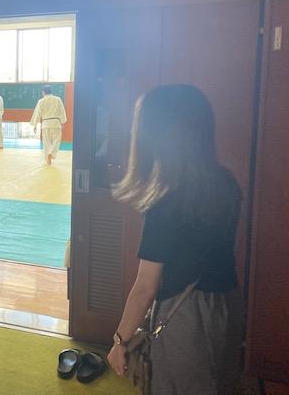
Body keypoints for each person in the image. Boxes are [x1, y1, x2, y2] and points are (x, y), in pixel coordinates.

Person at [107, 85, 243, 395]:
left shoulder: (167, 201)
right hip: (227, 304)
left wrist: (119, 341)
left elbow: (146, 286)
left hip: (187, 316)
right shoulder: (226, 183)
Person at [30, 85, 67, 164]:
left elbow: (37, 113)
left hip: (45, 124)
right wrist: (63, 121)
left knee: (46, 143)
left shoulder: (41, 101)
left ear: (43, 92)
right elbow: (62, 111)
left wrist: (35, 124)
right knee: (56, 140)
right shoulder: (58, 99)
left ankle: (48, 159)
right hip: (56, 123)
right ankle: (52, 153)